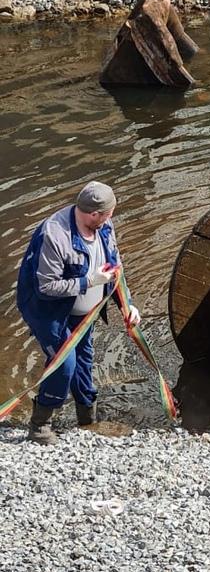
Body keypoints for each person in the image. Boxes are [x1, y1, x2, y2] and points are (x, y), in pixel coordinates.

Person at [16, 181, 141, 446]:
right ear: (94, 214)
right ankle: (39, 425)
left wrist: (127, 305)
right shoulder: (54, 235)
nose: (111, 220)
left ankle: (87, 419)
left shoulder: (104, 226)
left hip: (85, 313)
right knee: (64, 365)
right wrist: (89, 281)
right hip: (50, 311)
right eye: (108, 215)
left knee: (84, 361)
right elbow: (46, 288)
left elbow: (115, 267)